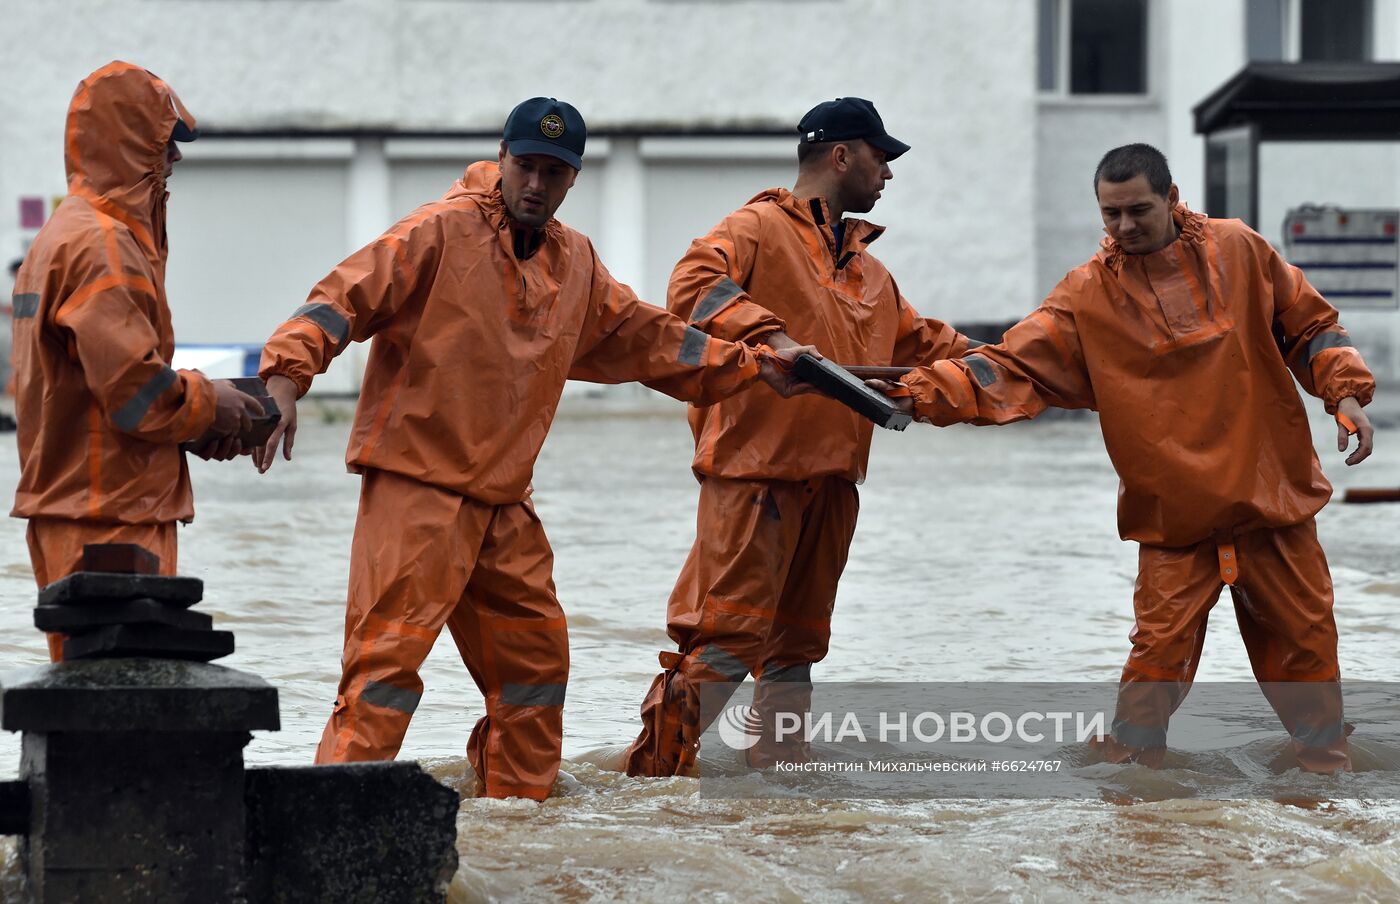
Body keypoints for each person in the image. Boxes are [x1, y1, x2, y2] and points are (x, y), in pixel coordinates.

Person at [253, 97, 814, 800]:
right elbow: (337, 301)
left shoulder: (575, 261)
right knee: (383, 677)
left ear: (574, 179)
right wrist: (285, 378)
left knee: (537, 676)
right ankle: (327, 825)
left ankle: (518, 832)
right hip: (415, 492)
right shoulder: (435, 233)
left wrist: (755, 365)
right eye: (527, 166)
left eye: (555, 172)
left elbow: (651, 337)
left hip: (504, 504)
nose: (537, 185)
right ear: (504, 157)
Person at [872, 143, 1375, 773]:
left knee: (1311, 664)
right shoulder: (1086, 294)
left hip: (1273, 504)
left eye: (1138, 210)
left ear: (1171, 198)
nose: (1124, 226)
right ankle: (1135, 816)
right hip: (1174, 521)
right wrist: (911, 395)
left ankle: (1324, 808)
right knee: (1150, 679)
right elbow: (1008, 367)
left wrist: (1345, 395)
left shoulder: (1241, 250)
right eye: (1110, 214)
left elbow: (1310, 326)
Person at [623, 97, 977, 778]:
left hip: (835, 484)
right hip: (756, 480)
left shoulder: (871, 273)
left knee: (797, 650)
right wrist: (776, 341)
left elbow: (928, 343)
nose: (889, 175)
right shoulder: (757, 227)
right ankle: (651, 786)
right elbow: (692, 285)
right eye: (882, 158)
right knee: (724, 644)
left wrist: (1025, 364)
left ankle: (781, 793)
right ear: (841, 156)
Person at [10, 61, 264, 661]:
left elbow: (91, 391)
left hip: (76, 503)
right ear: (127, 143)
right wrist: (215, 406)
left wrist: (199, 426)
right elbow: (134, 392)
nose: (173, 161)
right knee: (124, 697)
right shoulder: (104, 245)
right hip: (110, 515)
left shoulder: (61, 236)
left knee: (88, 700)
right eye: (164, 144)